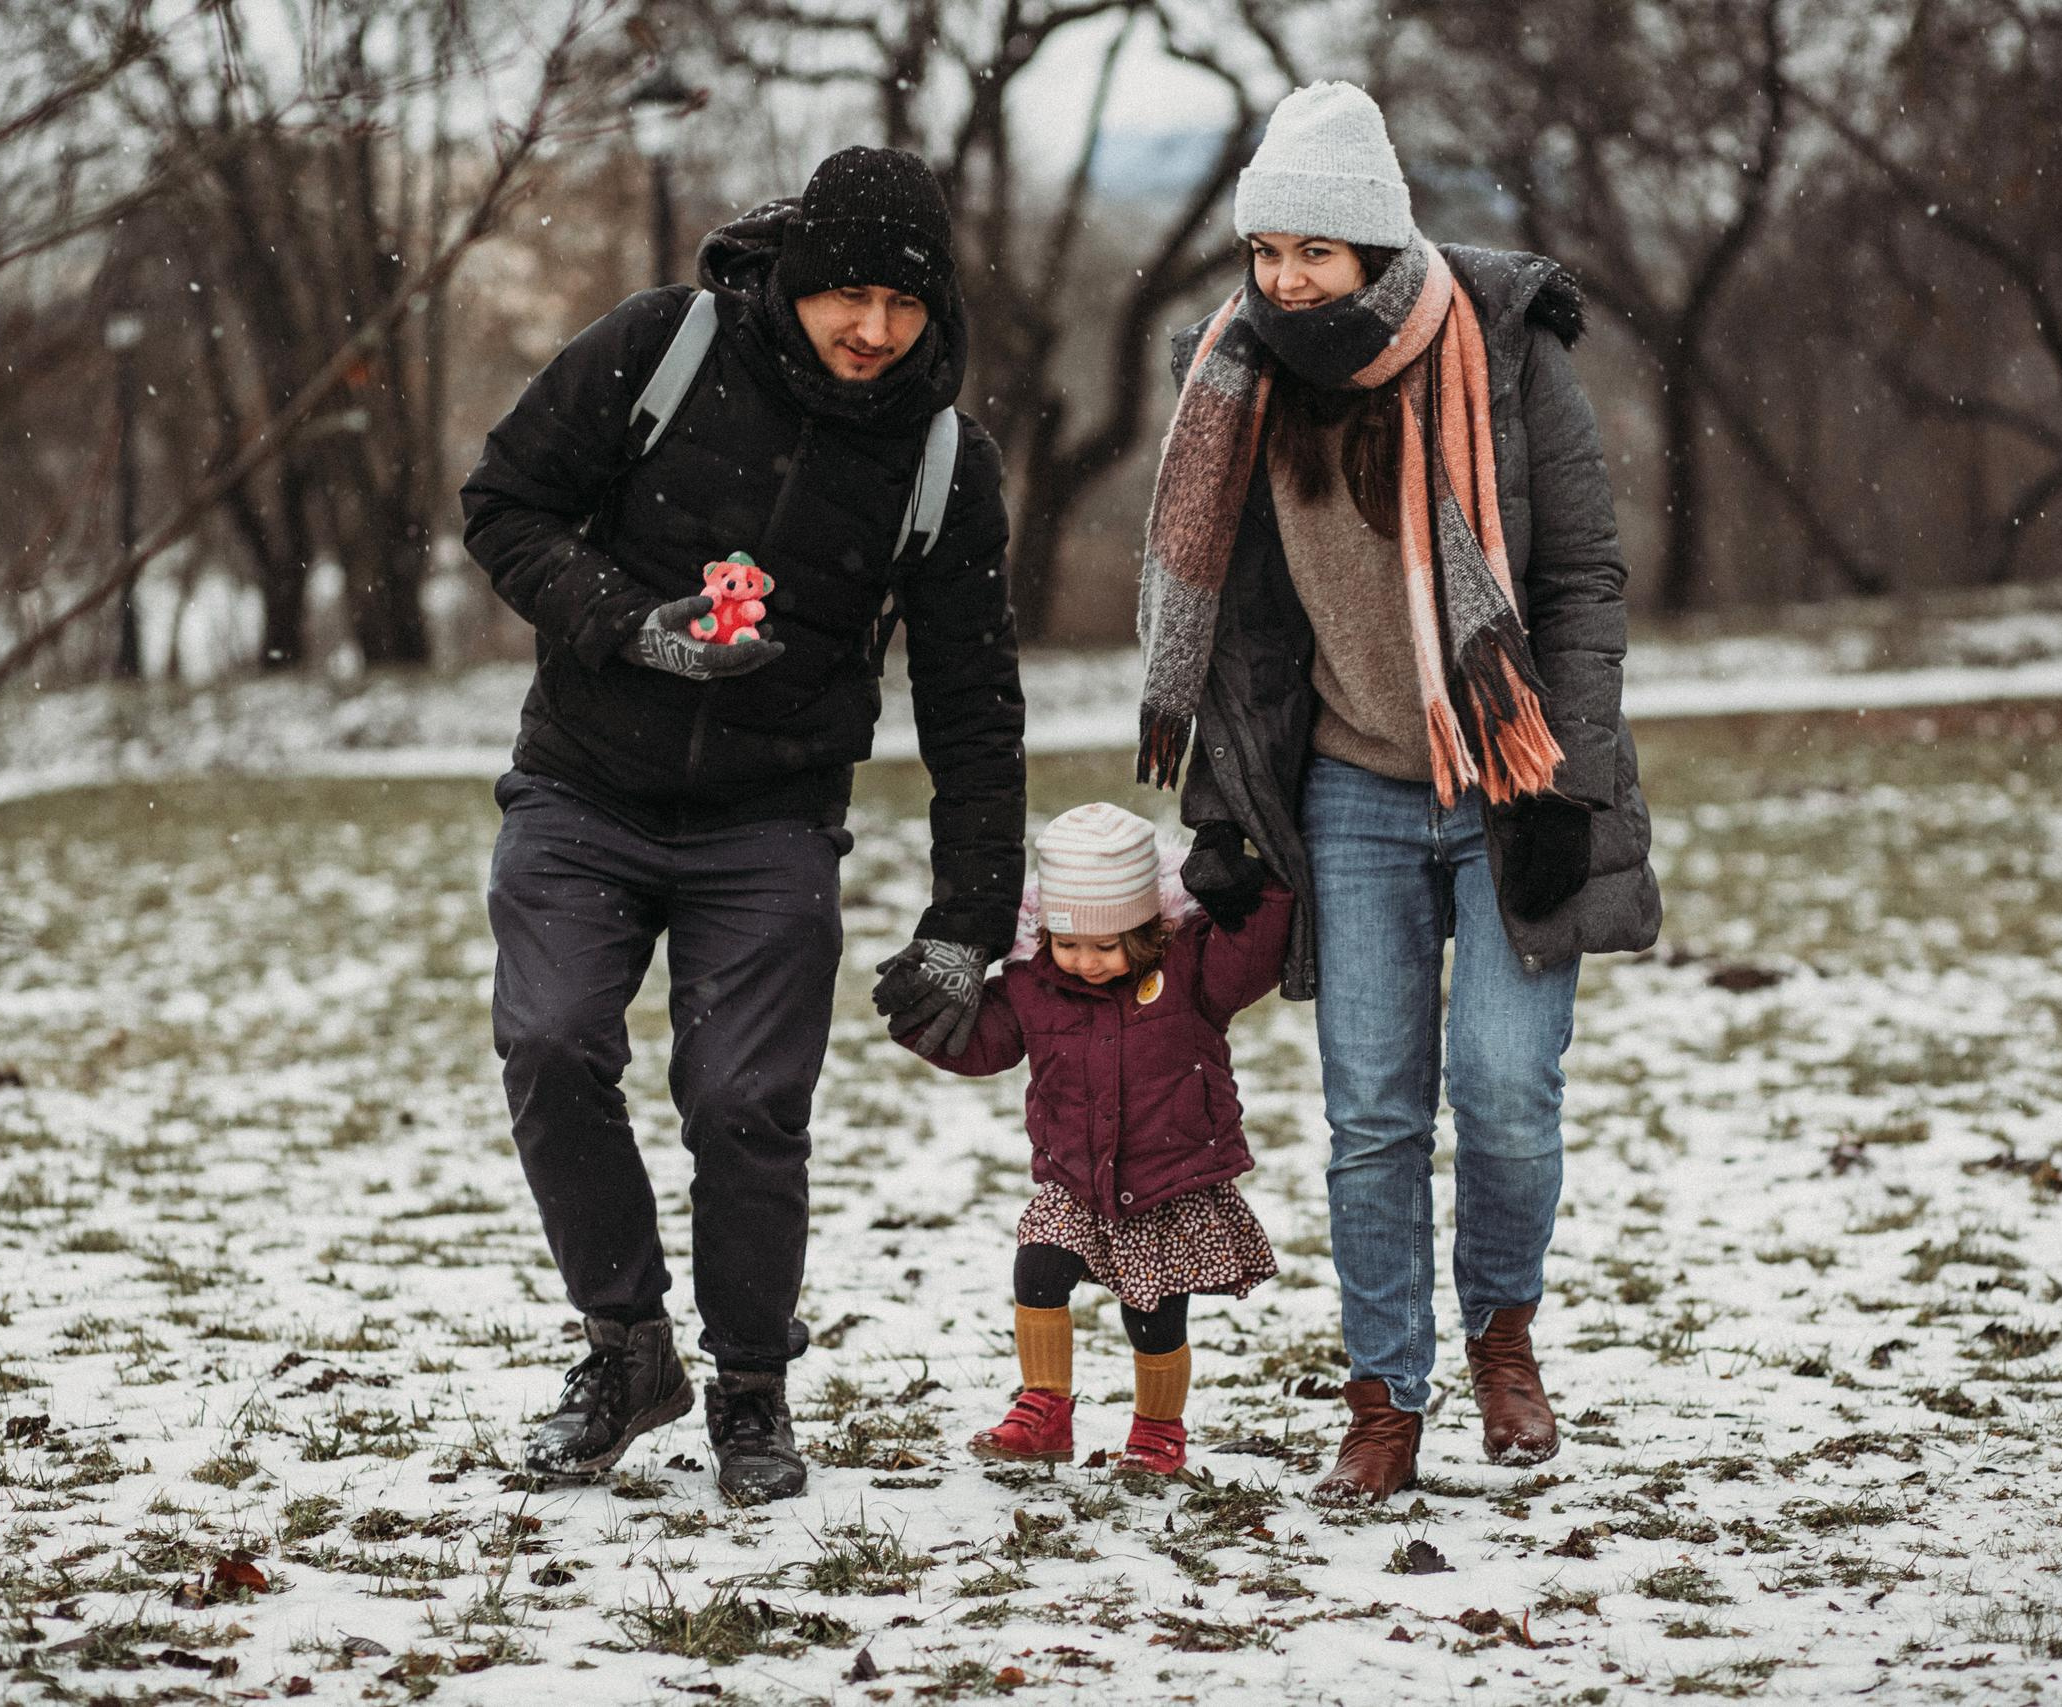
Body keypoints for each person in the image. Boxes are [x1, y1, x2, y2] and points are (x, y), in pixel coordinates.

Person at [459, 145, 1026, 1504]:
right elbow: (504, 505)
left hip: (772, 818)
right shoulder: (665, 345)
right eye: (848, 298)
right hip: (585, 783)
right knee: (548, 1041)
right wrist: (628, 624)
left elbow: (973, 710)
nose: (875, 332)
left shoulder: (944, 460)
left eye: (905, 306)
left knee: (748, 1101)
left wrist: (966, 922)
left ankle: (754, 1387)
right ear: (797, 276)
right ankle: (626, 1345)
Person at [1135, 83, 1662, 1503]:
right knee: (1372, 1110)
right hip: (1352, 789)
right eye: (1268, 252)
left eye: (1318, 250)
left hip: (1510, 776)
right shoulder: (1235, 380)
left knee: (1502, 1086)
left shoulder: (1500, 346)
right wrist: (1229, 811)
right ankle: (1383, 1394)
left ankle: (1503, 1333)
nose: (1288, 280)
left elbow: (1582, 584)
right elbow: (1240, 623)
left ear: (1376, 245)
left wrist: (1568, 774)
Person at [897, 802, 1290, 1475]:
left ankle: (1158, 1429)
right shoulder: (1032, 984)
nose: (1085, 961)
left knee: (1155, 1315)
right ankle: (1043, 1408)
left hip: (1169, 1179)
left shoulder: (1193, 969)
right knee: (1038, 1271)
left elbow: (1257, 952)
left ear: (1147, 929)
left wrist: (1257, 889)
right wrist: (921, 1013)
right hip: (1073, 1177)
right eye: (1068, 942)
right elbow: (986, 1043)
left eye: (1107, 946)